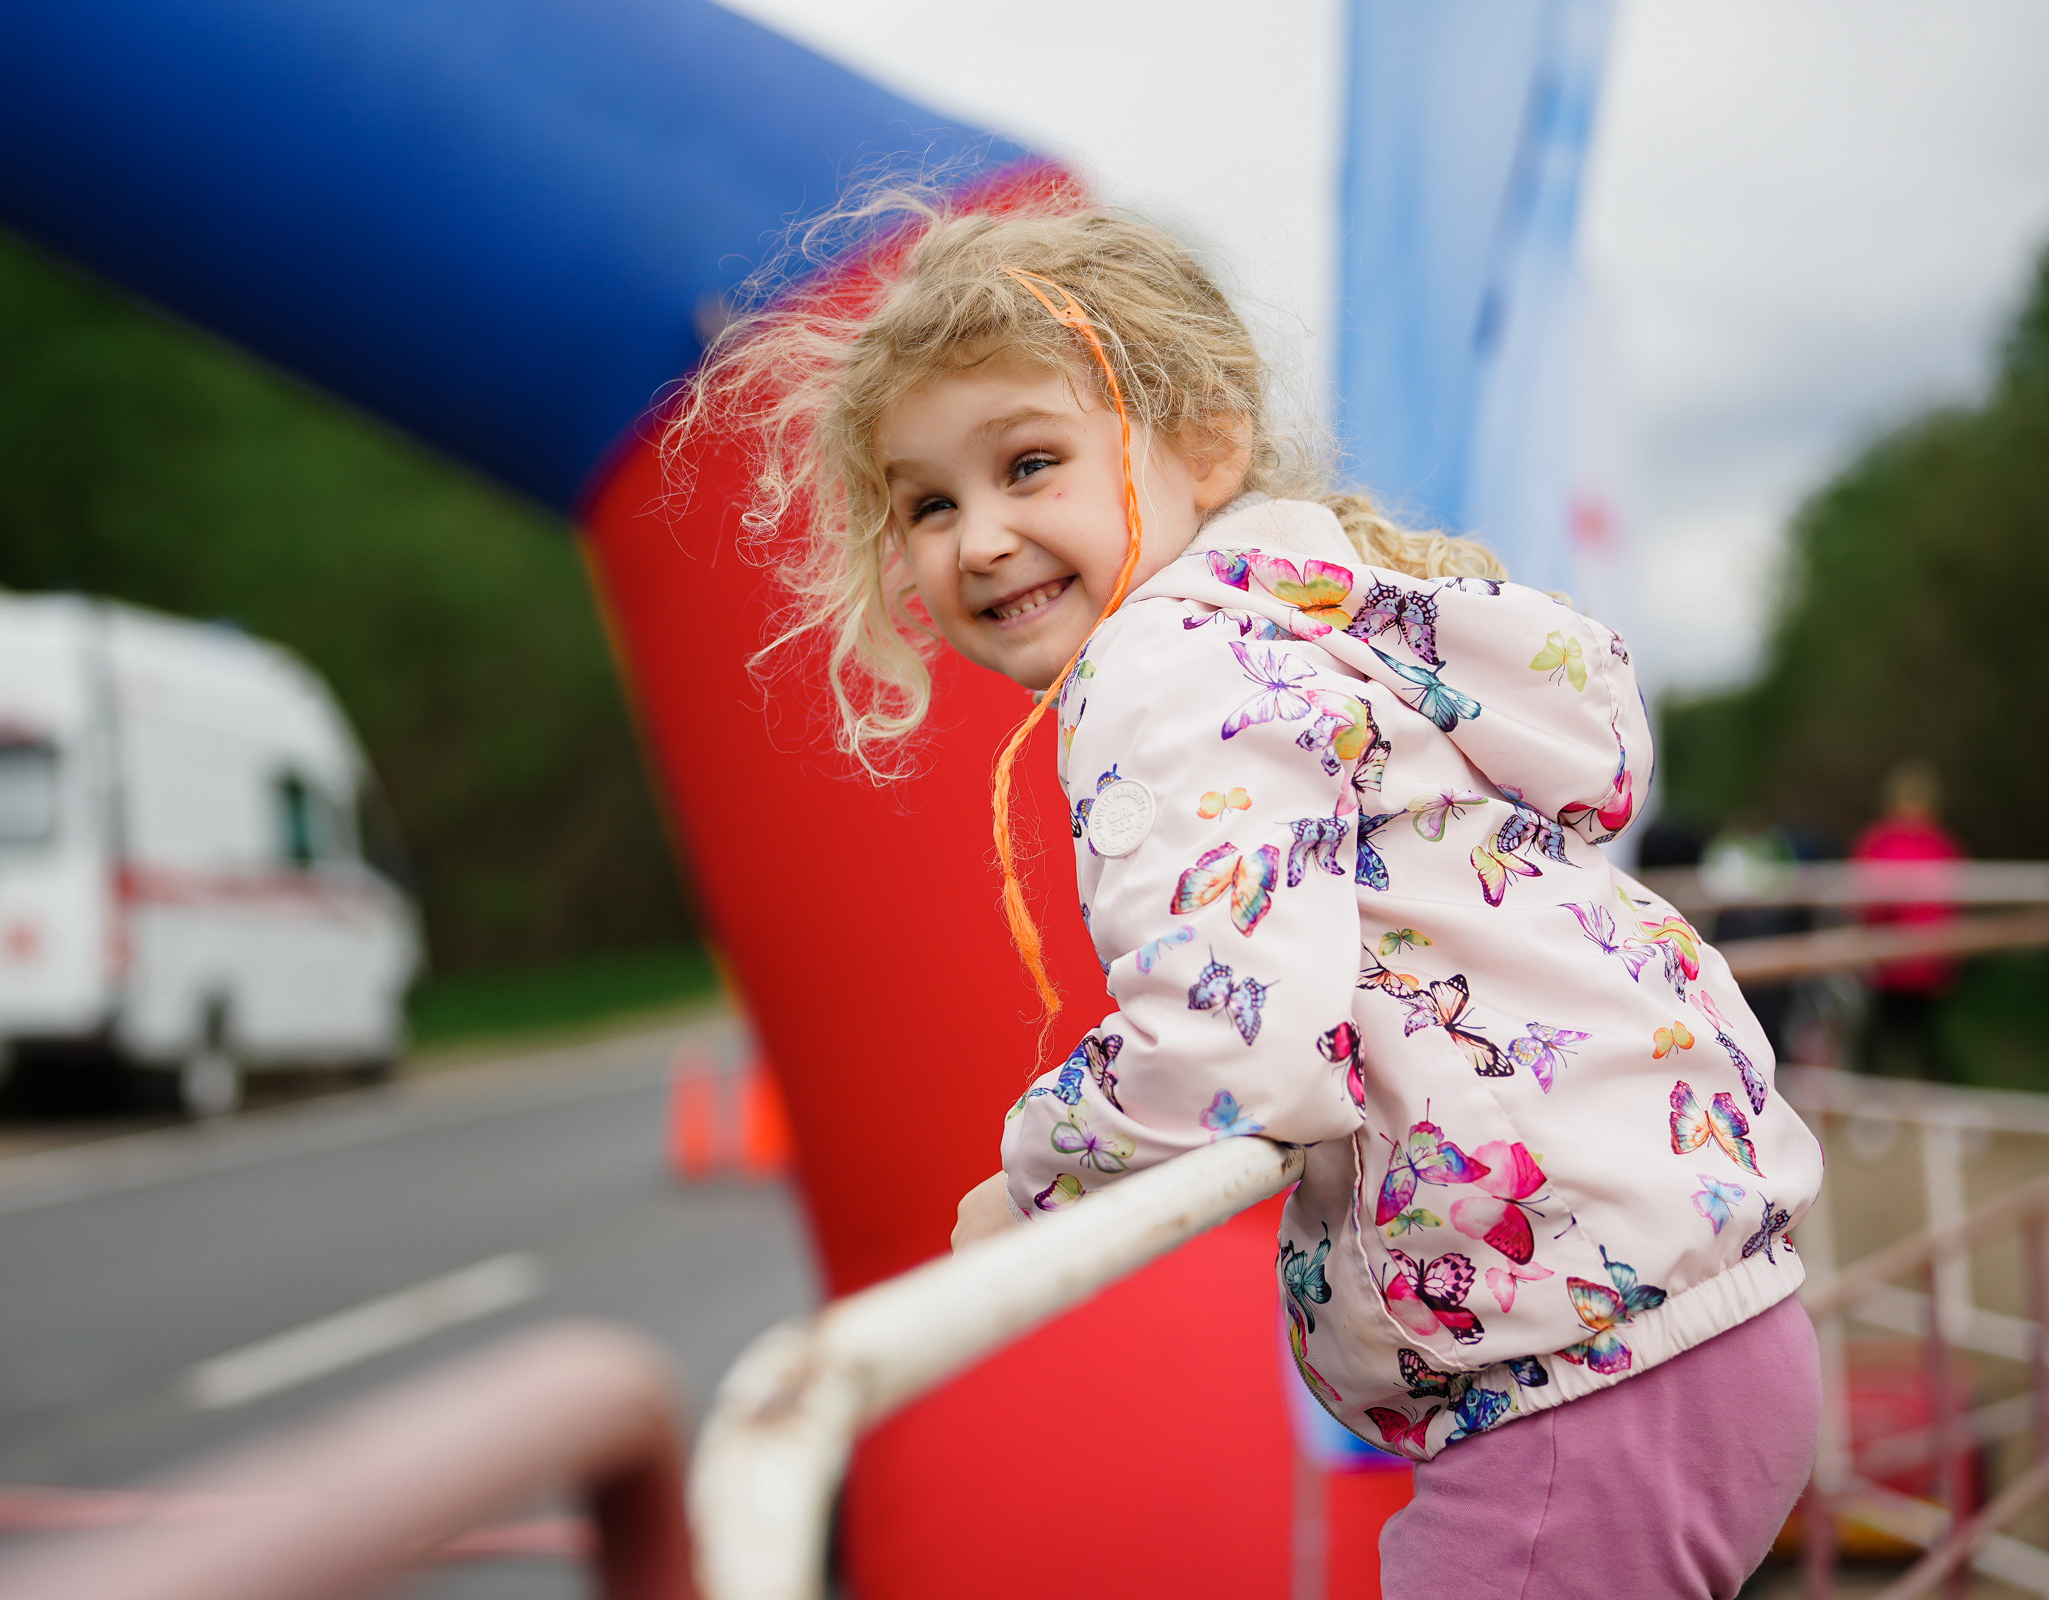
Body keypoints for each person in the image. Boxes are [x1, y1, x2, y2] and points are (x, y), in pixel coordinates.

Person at [678, 189, 1824, 1599]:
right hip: (1705, 1319)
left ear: (1205, 445)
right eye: (928, 503)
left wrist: (1035, 1182)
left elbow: (1232, 1047)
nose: (977, 538)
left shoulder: (1166, 663)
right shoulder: (1317, 618)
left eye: (1028, 465)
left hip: (1573, 1377)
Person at [1852, 761, 1965, 1079]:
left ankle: (1880, 1102)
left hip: (1917, 964)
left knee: (1907, 1041)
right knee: (1890, 1041)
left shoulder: (1889, 841)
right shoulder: (1938, 843)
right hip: (1896, 963)